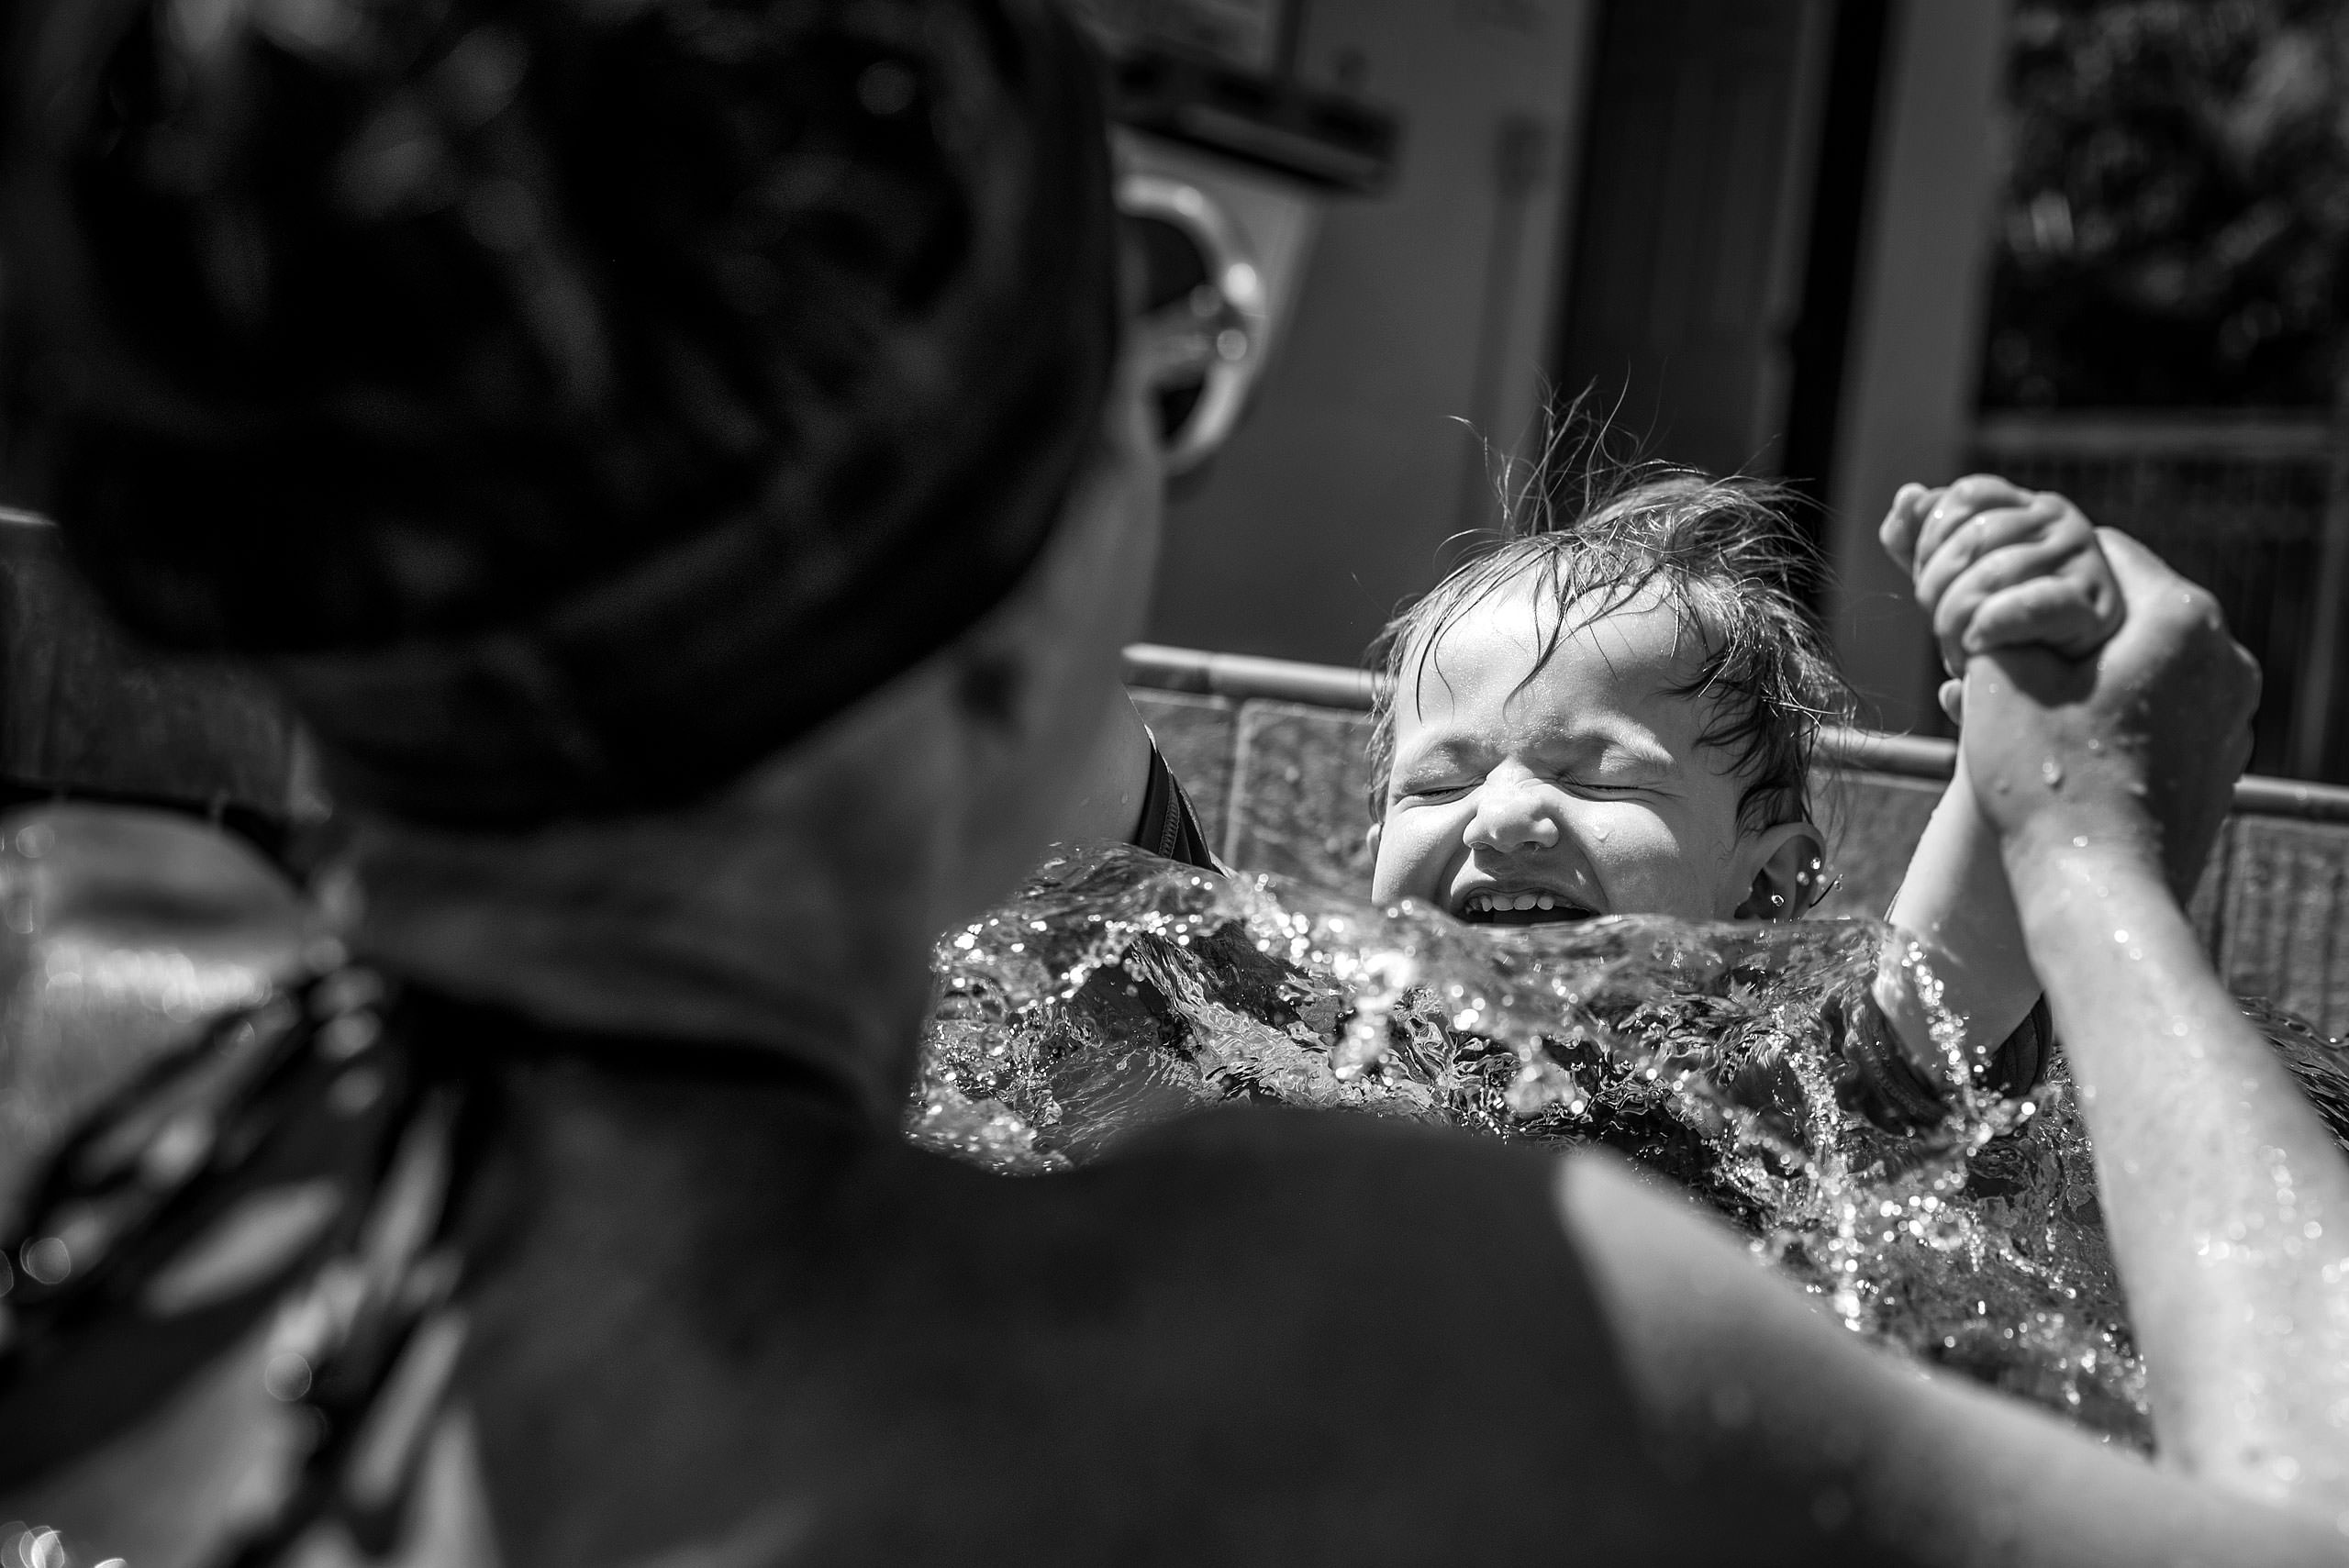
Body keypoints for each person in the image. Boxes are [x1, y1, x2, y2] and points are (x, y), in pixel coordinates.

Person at [2, 4, 2348, 1566]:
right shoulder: (1369, 1323)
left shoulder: (81, 1049)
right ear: (1021, 619)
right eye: (1160, 388)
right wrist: (2093, 861)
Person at [1356, 452, 2119, 1122]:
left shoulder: (1755, 1091)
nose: (1501, 815)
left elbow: (1941, 994)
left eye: (1598, 778)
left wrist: (2032, 715)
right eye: (1439, 783)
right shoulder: (1322, 1024)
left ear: (1762, 888)